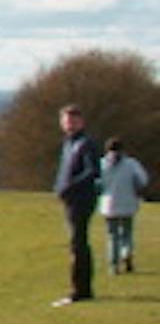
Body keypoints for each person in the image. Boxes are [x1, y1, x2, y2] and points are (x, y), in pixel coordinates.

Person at [52, 104, 102, 305]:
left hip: (82, 199)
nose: (69, 124)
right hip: (70, 199)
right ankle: (81, 288)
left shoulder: (86, 143)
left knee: (78, 242)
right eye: (65, 121)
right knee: (76, 243)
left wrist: (69, 187)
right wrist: (59, 187)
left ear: (81, 122)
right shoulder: (68, 144)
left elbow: (92, 171)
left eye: (73, 120)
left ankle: (80, 290)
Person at [98, 136, 149, 276]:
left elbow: (97, 184)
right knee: (127, 233)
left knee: (112, 235)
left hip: (108, 205)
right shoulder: (131, 164)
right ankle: (126, 253)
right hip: (128, 203)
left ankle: (113, 266)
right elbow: (143, 180)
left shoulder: (101, 164)